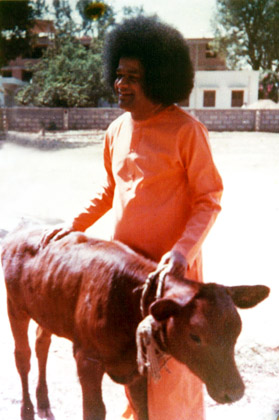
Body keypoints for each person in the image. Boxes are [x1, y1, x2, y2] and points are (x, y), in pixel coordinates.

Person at [43, 16, 223, 420]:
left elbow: (209, 200)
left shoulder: (187, 131)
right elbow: (109, 191)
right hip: (126, 276)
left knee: (173, 369)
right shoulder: (116, 130)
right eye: (119, 74)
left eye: (133, 77)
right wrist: (73, 226)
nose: (121, 85)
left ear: (159, 78)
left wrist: (180, 252)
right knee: (131, 362)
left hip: (171, 275)